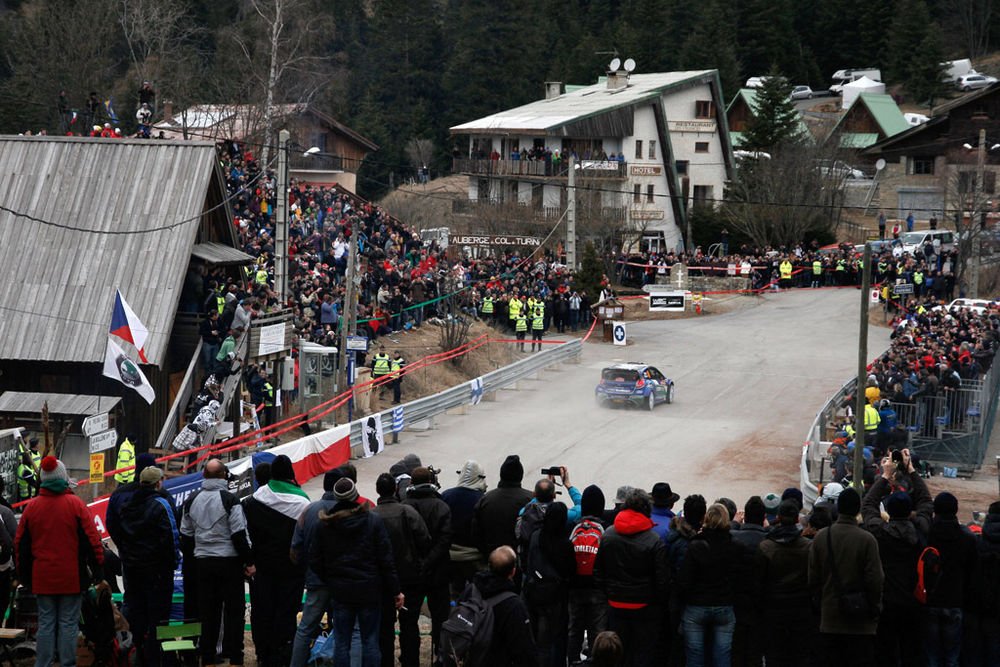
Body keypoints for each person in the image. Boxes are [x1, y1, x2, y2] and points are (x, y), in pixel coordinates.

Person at [15, 457, 106, 667]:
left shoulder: (32, 507)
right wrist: (97, 568)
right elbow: (92, 540)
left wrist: (24, 575)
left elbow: (21, 545)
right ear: (63, 478)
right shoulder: (75, 505)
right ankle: (67, 664)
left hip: (42, 577)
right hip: (71, 577)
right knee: (68, 623)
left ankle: (43, 663)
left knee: (46, 623)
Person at [310, 478, 403, 667]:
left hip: (340, 591)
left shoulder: (325, 525)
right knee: (370, 640)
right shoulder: (372, 521)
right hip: (369, 589)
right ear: (355, 495)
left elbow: (315, 559)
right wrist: (396, 590)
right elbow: (385, 559)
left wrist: (330, 580)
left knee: (342, 641)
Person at [180, 459, 255, 667]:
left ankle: (208, 658)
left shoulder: (191, 500)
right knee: (234, 612)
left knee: (208, 613)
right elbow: (239, 534)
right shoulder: (231, 500)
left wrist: (194, 557)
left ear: (204, 476)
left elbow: (185, 536)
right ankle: (236, 658)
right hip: (229, 562)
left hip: (202, 562)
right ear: (224, 476)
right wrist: (249, 561)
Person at [860, 450, 931, 666]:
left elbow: (868, 506)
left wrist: (884, 476)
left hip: (887, 603)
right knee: (912, 653)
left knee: (885, 653)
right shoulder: (921, 530)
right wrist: (911, 471)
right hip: (914, 603)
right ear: (911, 510)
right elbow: (926, 502)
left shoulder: (880, 532)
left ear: (888, 510)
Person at [243, 456, 311, 667]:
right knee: (286, 611)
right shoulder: (303, 503)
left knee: (262, 610)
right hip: (291, 570)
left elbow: (246, 535)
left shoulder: (254, 500)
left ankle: (263, 653)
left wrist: (249, 561)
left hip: (262, 568)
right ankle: (281, 653)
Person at [807, 487, 883, 667]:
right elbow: (875, 580)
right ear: (858, 510)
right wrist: (875, 609)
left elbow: (812, 579)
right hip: (860, 622)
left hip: (829, 619)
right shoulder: (867, 540)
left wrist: (821, 605)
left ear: (838, 508)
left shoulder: (822, 537)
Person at [593, 488, 669, 667]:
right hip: (644, 607)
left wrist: (609, 594)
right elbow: (662, 580)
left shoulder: (608, 535)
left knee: (616, 654)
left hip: (615, 605)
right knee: (643, 654)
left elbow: (598, 572)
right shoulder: (654, 540)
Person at [117, 466, 179, 667]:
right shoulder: (161, 504)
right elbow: (171, 535)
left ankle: (138, 655)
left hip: (133, 569)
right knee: (159, 617)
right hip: (157, 571)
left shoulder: (127, 505)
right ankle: (157, 657)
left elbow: (120, 536)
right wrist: (173, 562)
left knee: (137, 613)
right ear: (158, 483)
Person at [372, 473, 430, 667]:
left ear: (378, 490)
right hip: (410, 578)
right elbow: (425, 541)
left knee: (384, 627)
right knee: (409, 624)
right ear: (396, 490)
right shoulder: (408, 512)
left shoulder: (371, 515)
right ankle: (410, 661)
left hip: (382, 581)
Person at [679, 503, 746, 667]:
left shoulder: (695, 546)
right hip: (724, 605)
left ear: (706, 519)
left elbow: (685, 581)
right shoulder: (736, 547)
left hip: (696, 606)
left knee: (695, 655)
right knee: (722, 654)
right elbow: (740, 579)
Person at [756, 500, 815, 667]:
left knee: (774, 656)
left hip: (773, 609)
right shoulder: (808, 547)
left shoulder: (766, 547)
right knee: (800, 656)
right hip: (801, 609)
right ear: (797, 519)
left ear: (778, 518)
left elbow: (758, 582)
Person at [402, 466, 452, 660]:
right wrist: (431, 560)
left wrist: (419, 562)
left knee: (408, 619)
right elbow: (446, 539)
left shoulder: (404, 506)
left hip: (411, 571)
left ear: (411, 484)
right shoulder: (442, 506)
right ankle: (441, 657)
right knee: (440, 618)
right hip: (438, 570)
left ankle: (409, 658)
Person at [924, 491, 978, 666]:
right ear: (955, 510)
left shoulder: (928, 534)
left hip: (930, 599)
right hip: (955, 600)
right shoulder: (968, 538)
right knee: (952, 655)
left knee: (932, 654)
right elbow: (972, 573)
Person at [522, 502, 575, 667]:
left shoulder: (536, 536)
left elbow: (527, 561)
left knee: (534, 637)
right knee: (549, 641)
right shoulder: (565, 545)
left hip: (532, 592)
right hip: (554, 598)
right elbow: (571, 572)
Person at [470, 546, 538, 666]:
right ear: (513, 571)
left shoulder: (471, 590)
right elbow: (524, 650)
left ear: (488, 566)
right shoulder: (513, 605)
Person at [567, 485, 609, 665]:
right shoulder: (604, 530)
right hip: (597, 589)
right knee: (597, 631)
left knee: (574, 630)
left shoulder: (575, 528)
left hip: (575, 588)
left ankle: (573, 661)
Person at [441, 460, 488, 595]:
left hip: (451, 555)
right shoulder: (482, 499)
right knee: (477, 594)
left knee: (454, 591)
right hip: (474, 557)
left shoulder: (446, 495)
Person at [472, 455, 533, 557]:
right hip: (520, 558)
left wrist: (489, 554)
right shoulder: (530, 500)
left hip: (492, 557)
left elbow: (476, 533)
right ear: (520, 475)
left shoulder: (486, 499)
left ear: (502, 474)